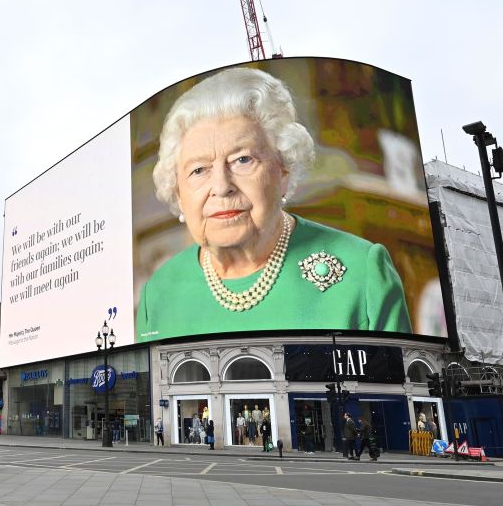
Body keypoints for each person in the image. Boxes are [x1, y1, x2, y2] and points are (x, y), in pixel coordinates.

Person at [136, 67, 412, 342]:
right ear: (178, 192)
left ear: (283, 169)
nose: (221, 186)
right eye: (199, 170)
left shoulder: (362, 270)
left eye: (242, 160)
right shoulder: (157, 295)